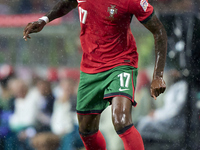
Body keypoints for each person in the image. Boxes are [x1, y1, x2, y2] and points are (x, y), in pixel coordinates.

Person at [23, 0, 167, 149]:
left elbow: (159, 31)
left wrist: (158, 75)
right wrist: (44, 20)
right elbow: (67, 4)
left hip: (121, 64)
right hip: (90, 68)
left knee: (121, 120)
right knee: (86, 130)